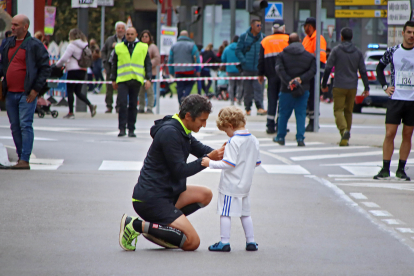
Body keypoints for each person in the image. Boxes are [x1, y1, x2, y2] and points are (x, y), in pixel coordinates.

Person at [118, 94, 226, 251]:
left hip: (168, 192)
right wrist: (208, 159)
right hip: (151, 199)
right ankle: (135, 225)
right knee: (192, 242)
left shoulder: (182, 128)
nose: (204, 124)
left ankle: (159, 229)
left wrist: (227, 153)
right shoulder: (170, 133)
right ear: (188, 116)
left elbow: (203, 150)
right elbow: (180, 171)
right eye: (202, 120)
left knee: (206, 195)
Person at [201, 106, 261, 252]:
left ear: (230, 126)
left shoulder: (234, 141)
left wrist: (210, 163)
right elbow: (257, 162)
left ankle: (224, 242)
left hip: (230, 186)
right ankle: (251, 241)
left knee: (225, 212)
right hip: (245, 185)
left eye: (226, 131)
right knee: (245, 213)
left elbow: (229, 163)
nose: (227, 134)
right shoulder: (253, 140)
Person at [0, 14, 50, 169]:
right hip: (10, 93)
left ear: (25, 27)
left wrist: (35, 90)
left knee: (25, 125)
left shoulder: (34, 45)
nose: (12, 27)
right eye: (12, 24)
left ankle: (24, 159)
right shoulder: (7, 43)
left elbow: (45, 68)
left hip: (26, 93)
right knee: (14, 126)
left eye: (15, 25)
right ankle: (20, 156)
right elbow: (3, 65)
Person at [373, 20, 414, 181]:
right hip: (396, 99)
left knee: (408, 134)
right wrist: (385, 86)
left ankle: (401, 169)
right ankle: (385, 169)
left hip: (412, 101)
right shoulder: (393, 51)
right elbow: (379, 68)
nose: (412, 36)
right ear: (403, 33)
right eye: (409, 32)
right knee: (390, 133)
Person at [321, 28, 370, 146]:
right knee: (348, 111)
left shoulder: (336, 50)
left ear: (341, 37)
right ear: (351, 37)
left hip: (339, 85)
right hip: (352, 86)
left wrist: (323, 84)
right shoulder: (358, 52)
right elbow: (363, 71)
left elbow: (328, 67)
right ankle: (345, 139)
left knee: (338, 110)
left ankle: (344, 131)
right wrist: (366, 87)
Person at [274, 33, 316, 147]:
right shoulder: (309, 56)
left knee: (283, 113)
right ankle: (300, 138)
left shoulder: (281, 56)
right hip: (303, 90)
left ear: (288, 42)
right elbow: (313, 71)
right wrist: (300, 80)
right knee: (301, 114)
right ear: (301, 41)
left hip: (286, 89)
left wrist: (290, 81)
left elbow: (279, 70)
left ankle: (281, 137)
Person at [111, 27, 152, 137]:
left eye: (132, 34)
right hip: (122, 80)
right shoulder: (119, 47)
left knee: (133, 105)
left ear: (136, 34)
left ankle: (131, 129)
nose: (129, 36)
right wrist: (113, 79)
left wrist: (148, 79)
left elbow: (148, 64)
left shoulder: (143, 47)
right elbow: (114, 64)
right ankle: (122, 129)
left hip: (136, 79)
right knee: (122, 104)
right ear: (125, 34)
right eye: (128, 34)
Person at [56, 28, 97, 119]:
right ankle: (90, 105)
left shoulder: (72, 45)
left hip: (73, 70)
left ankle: (71, 113)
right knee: (78, 91)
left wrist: (57, 65)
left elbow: (64, 58)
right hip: (83, 70)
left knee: (70, 91)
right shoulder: (85, 45)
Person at [258, 19, 289, 134]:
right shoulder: (288, 39)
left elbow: (261, 60)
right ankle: (281, 125)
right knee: (283, 101)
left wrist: (260, 74)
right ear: (283, 28)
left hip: (271, 76)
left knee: (272, 101)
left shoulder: (265, 41)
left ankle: (270, 126)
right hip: (285, 77)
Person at [236, 19, 267, 116]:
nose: (259, 27)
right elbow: (238, 51)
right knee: (247, 89)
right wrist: (244, 61)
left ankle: (260, 107)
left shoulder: (263, 37)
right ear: (252, 26)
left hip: (259, 69)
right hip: (247, 68)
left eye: (260, 25)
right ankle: (247, 108)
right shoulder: (244, 37)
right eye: (258, 25)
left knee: (259, 88)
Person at [302, 17, 327, 132]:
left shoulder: (318, 39)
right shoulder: (306, 39)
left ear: (310, 27)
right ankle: (310, 120)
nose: (304, 29)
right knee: (308, 98)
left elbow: (321, 58)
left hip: (315, 72)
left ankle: (313, 121)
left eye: (305, 26)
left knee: (313, 98)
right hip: (307, 71)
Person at [168, 30, 200, 104]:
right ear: (187, 35)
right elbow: (197, 58)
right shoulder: (192, 45)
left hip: (178, 70)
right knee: (190, 84)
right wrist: (198, 70)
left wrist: (171, 72)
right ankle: (185, 96)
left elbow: (170, 60)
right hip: (190, 70)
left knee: (180, 87)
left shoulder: (174, 46)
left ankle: (181, 103)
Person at [101, 21, 126, 113]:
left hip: (122, 68)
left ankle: (118, 106)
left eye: (122, 28)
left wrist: (118, 46)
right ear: (116, 29)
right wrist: (104, 61)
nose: (120, 30)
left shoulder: (127, 40)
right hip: (110, 67)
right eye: (118, 28)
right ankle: (109, 106)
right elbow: (103, 51)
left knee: (121, 89)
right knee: (109, 88)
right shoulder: (109, 40)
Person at [138, 30, 160, 114]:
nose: (144, 38)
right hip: (140, 72)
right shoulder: (139, 46)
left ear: (149, 37)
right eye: (143, 36)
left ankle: (150, 107)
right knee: (141, 91)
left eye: (146, 36)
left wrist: (148, 64)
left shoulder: (152, 47)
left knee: (150, 91)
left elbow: (157, 58)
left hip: (150, 72)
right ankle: (141, 107)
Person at [222, 35, 243, 105]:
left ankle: (231, 100)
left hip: (230, 70)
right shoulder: (241, 48)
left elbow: (223, 59)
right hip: (240, 70)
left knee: (231, 85)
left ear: (232, 41)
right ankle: (239, 99)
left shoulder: (227, 49)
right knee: (240, 85)